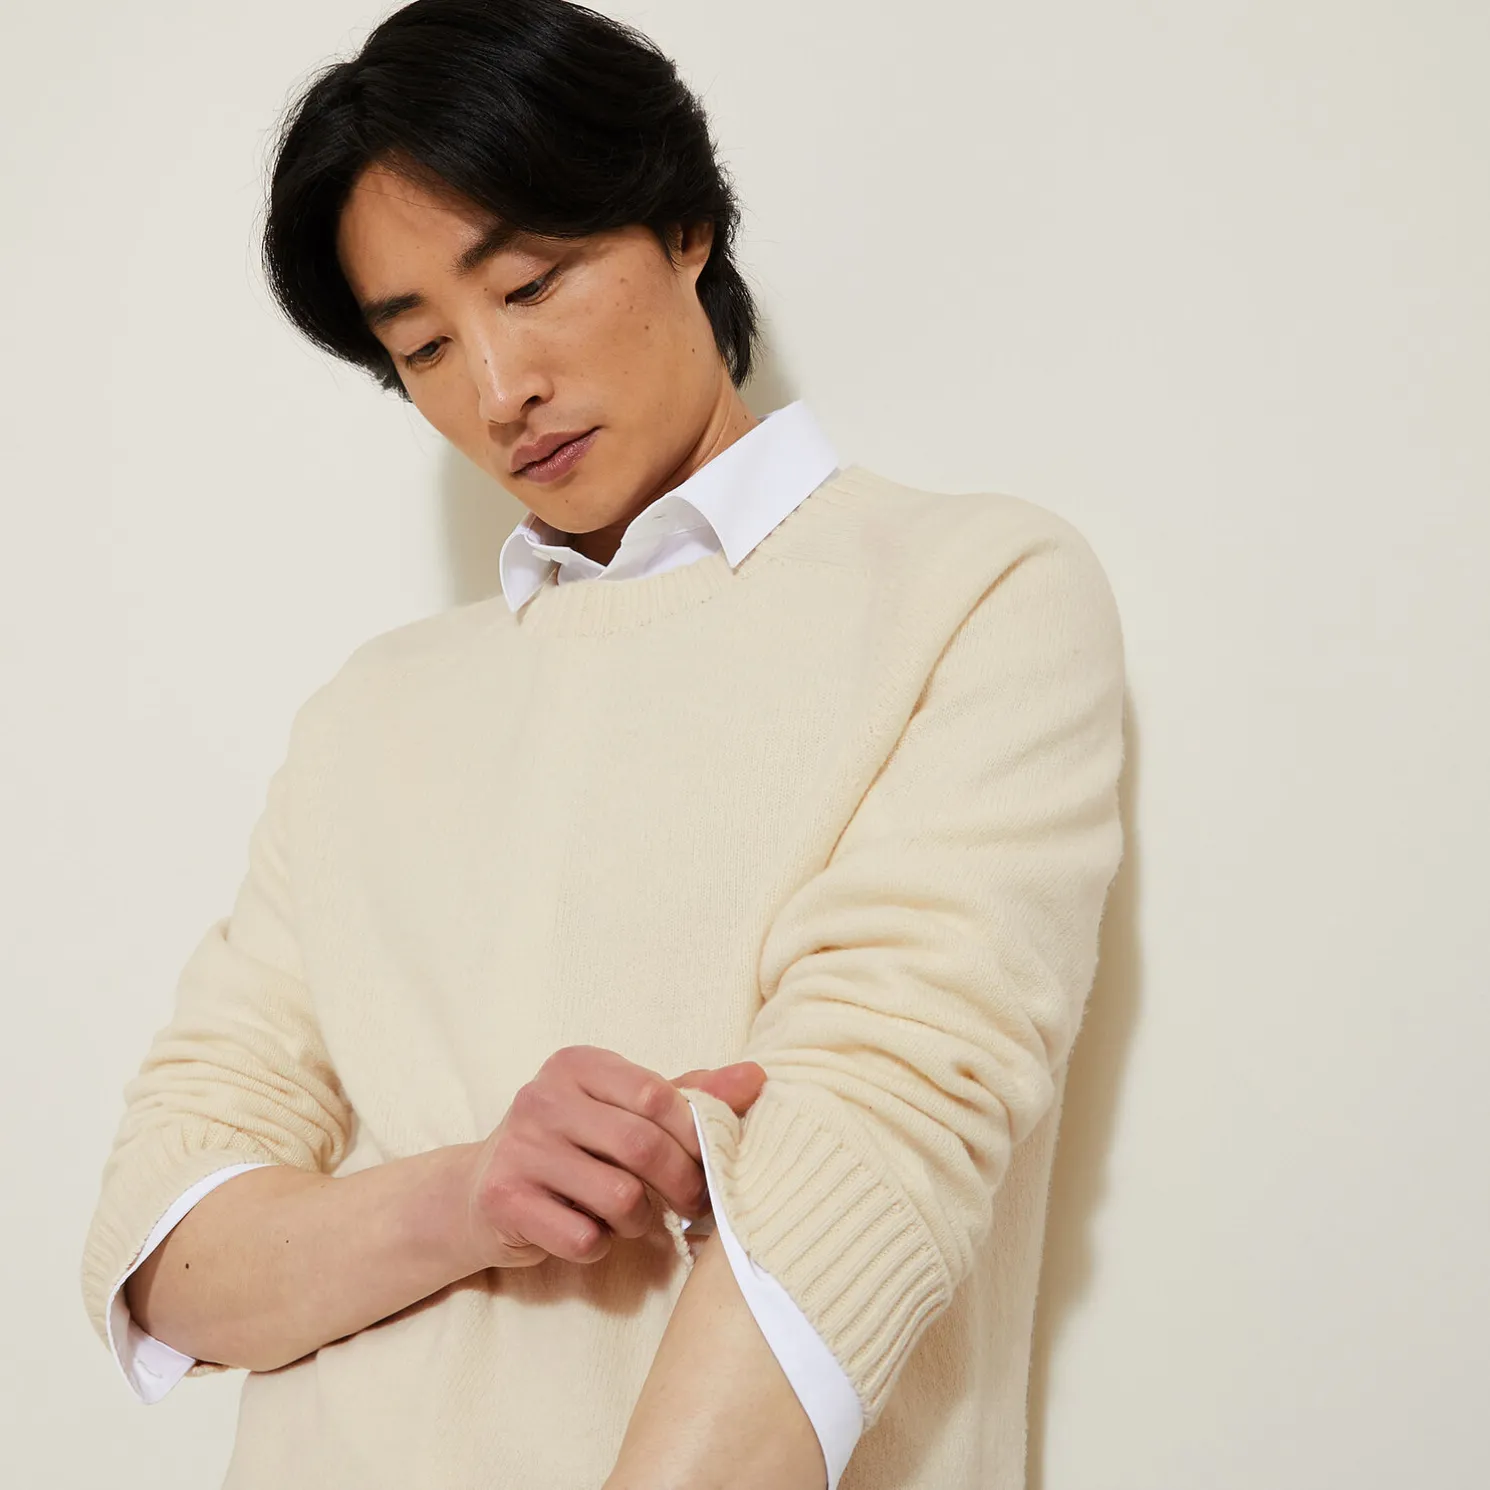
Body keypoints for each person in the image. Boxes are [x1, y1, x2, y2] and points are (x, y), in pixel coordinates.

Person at [78, 2, 1127, 1487]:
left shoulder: (969, 589)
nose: (496, 390)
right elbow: (166, 1244)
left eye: (531, 284)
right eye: (424, 346)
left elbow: (876, 1142)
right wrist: (471, 1200)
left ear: (684, 224)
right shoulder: (371, 713)